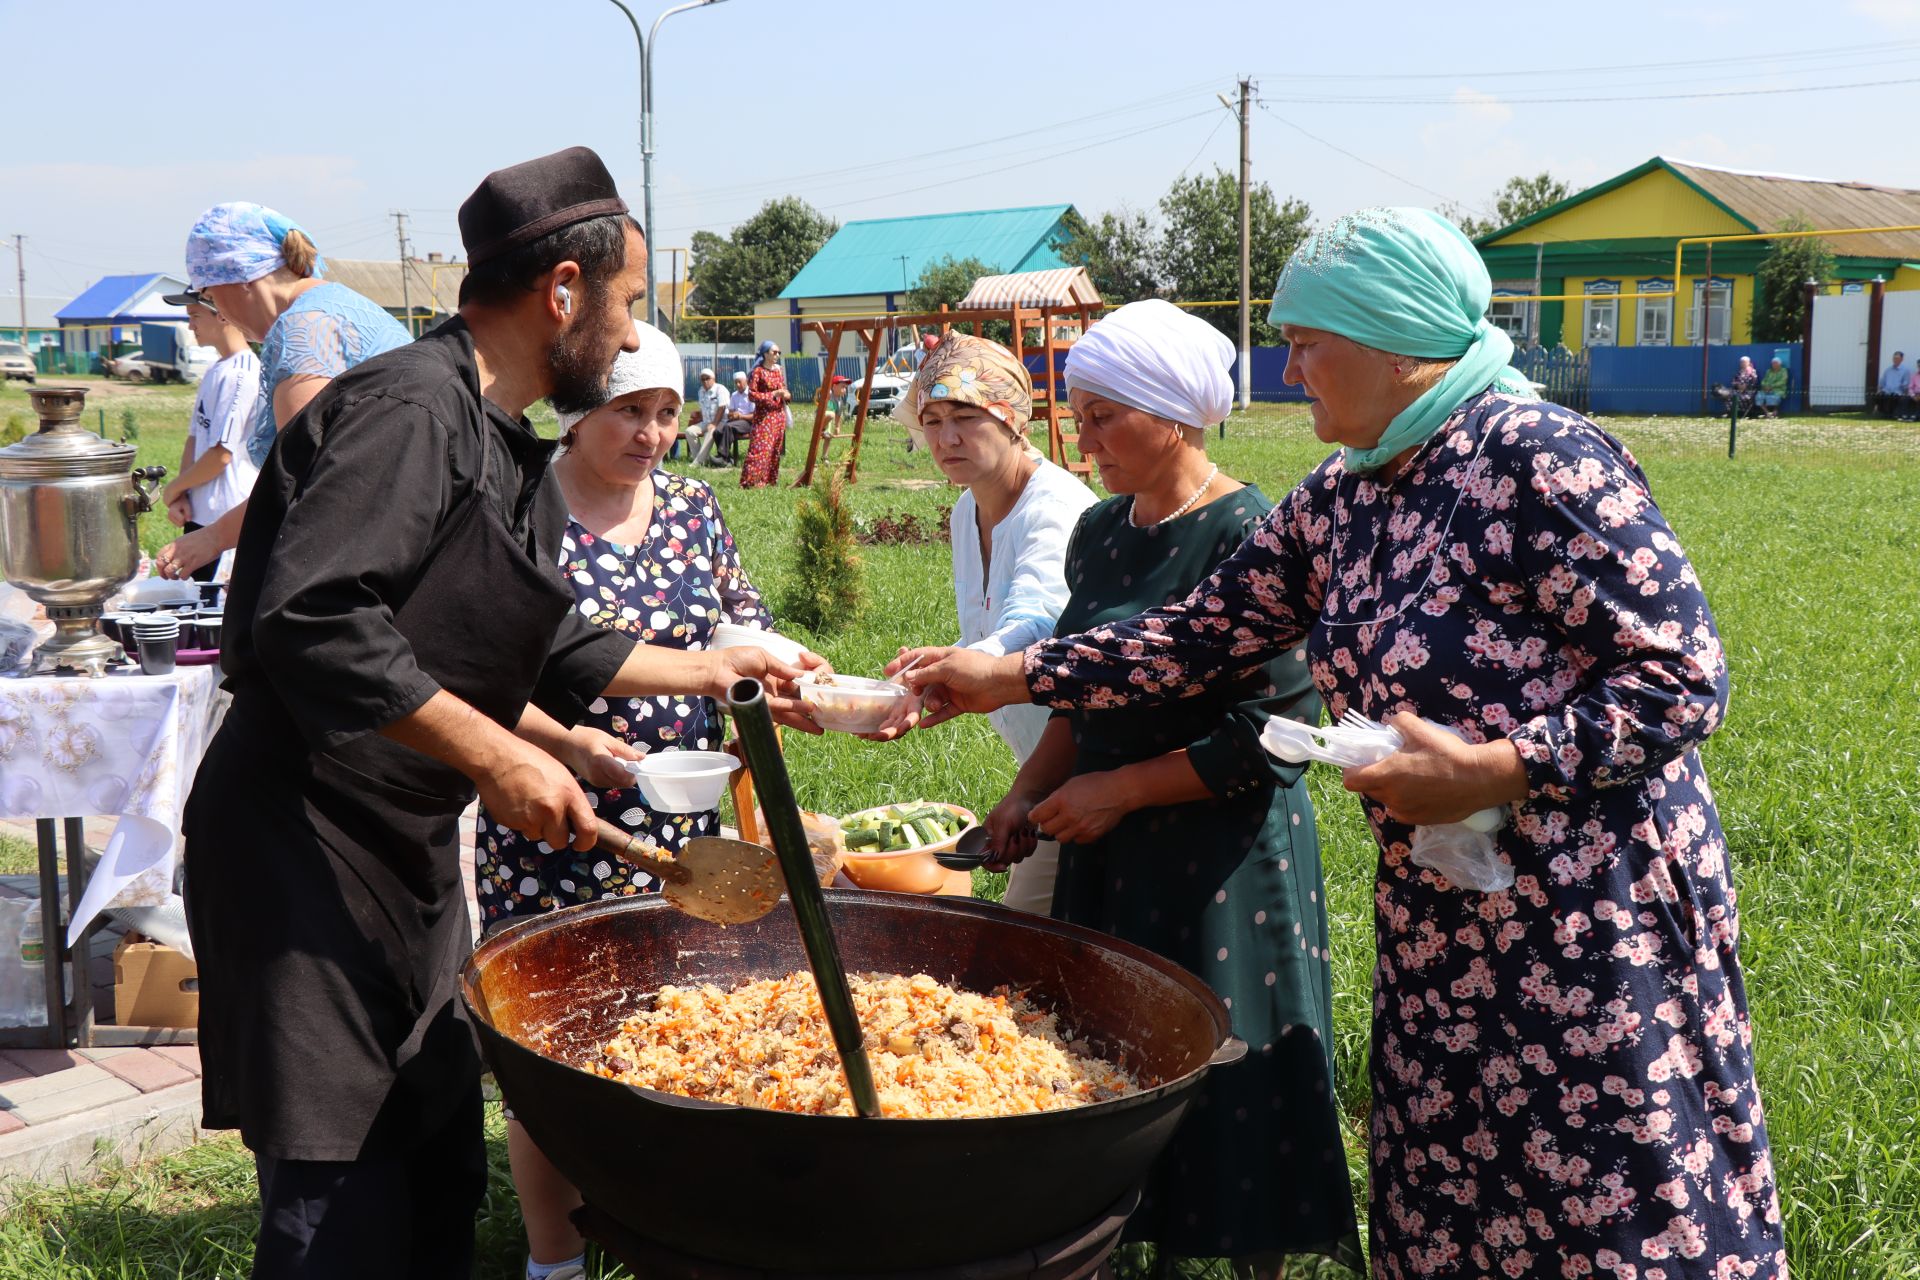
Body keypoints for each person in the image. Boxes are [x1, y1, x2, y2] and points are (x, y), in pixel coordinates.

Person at [897, 209, 1789, 1277]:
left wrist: (1503, 766)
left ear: (1397, 340)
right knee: (1457, 1181)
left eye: (1309, 342)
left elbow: (1679, 675)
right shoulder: (1343, 496)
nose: (1287, 365)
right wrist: (1016, 673)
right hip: (1443, 914)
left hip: (1590, 912)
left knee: (1610, 1193)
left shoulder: (1542, 458)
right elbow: (1198, 634)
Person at [181, 147, 818, 1279]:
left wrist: (710, 673)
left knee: (433, 1156)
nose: (630, 341)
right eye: (626, 305)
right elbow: (315, 619)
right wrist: (491, 757)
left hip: (402, 848)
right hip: (300, 843)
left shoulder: (495, 438)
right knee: (344, 1197)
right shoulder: (410, 411)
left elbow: (520, 638)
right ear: (562, 291)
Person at [892, 301, 1364, 1276]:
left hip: (1223, 857)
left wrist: (1121, 791)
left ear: (1177, 417)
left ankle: (1249, 1265)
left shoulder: (1252, 532)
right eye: (1081, 413)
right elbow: (1081, 684)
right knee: (1111, 1064)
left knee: (1229, 1076)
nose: (1085, 437)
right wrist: (1028, 795)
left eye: (1106, 416)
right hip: (1115, 849)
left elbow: (1274, 734)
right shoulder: (1102, 530)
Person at [475, 325, 779, 1278]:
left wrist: (776, 666)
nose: (651, 433)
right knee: (554, 1048)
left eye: (666, 412)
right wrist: (559, 743)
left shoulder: (692, 504)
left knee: (680, 1024)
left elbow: (740, 616)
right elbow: (479, 671)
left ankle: (664, 1228)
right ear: (577, 415)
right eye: (628, 411)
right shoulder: (523, 507)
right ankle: (554, 1254)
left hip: (685, 819)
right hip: (556, 812)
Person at [900, 332, 1097, 915]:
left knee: (1035, 940)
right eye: (931, 421)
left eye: (965, 416)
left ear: (1013, 421)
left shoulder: (1054, 508)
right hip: (1044, 769)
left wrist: (958, 666)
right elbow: (984, 632)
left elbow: (1034, 622)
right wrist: (923, 676)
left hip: (1090, 763)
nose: (946, 438)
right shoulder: (970, 506)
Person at [152, 204, 411, 580]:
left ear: (240, 278)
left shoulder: (303, 332)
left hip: (372, 558)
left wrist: (212, 539)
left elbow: (303, 479)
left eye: (209, 295)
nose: (217, 310)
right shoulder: (340, 305)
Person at [158, 289, 259, 581]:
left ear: (223, 314)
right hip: (200, 516)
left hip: (226, 521)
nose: (191, 326)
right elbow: (194, 437)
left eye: (195, 316)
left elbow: (221, 455)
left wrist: (171, 488)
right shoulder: (217, 369)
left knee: (218, 615)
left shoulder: (242, 374)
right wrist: (182, 495)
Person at [741, 338, 792, 488]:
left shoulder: (778, 371)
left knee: (775, 449)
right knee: (760, 449)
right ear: (765, 354)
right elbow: (752, 395)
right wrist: (773, 394)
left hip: (778, 415)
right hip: (764, 416)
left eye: (778, 352)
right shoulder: (758, 372)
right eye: (774, 352)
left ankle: (770, 481)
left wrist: (786, 395)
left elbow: (783, 389)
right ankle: (750, 482)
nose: (777, 355)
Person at [686, 365, 727, 463]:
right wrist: (698, 414)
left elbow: (722, 407)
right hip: (706, 422)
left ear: (713, 379)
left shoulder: (720, 389)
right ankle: (704, 459)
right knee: (689, 431)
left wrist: (714, 424)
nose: (705, 381)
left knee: (710, 431)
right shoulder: (701, 391)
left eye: (707, 378)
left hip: (721, 422)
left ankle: (697, 463)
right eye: (702, 379)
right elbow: (704, 408)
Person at [1875, 350, 1909, 417]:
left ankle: (1889, 414)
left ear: (1901, 359)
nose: (1895, 360)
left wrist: (1905, 393)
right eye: (1894, 358)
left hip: (1897, 392)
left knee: (1892, 397)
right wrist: (1879, 390)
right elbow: (1882, 382)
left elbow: (1906, 384)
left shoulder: (1905, 371)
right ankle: (1880, 413)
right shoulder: (1888, 370)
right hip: (1886, 391)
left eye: (1897, 358)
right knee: (1877, 395)